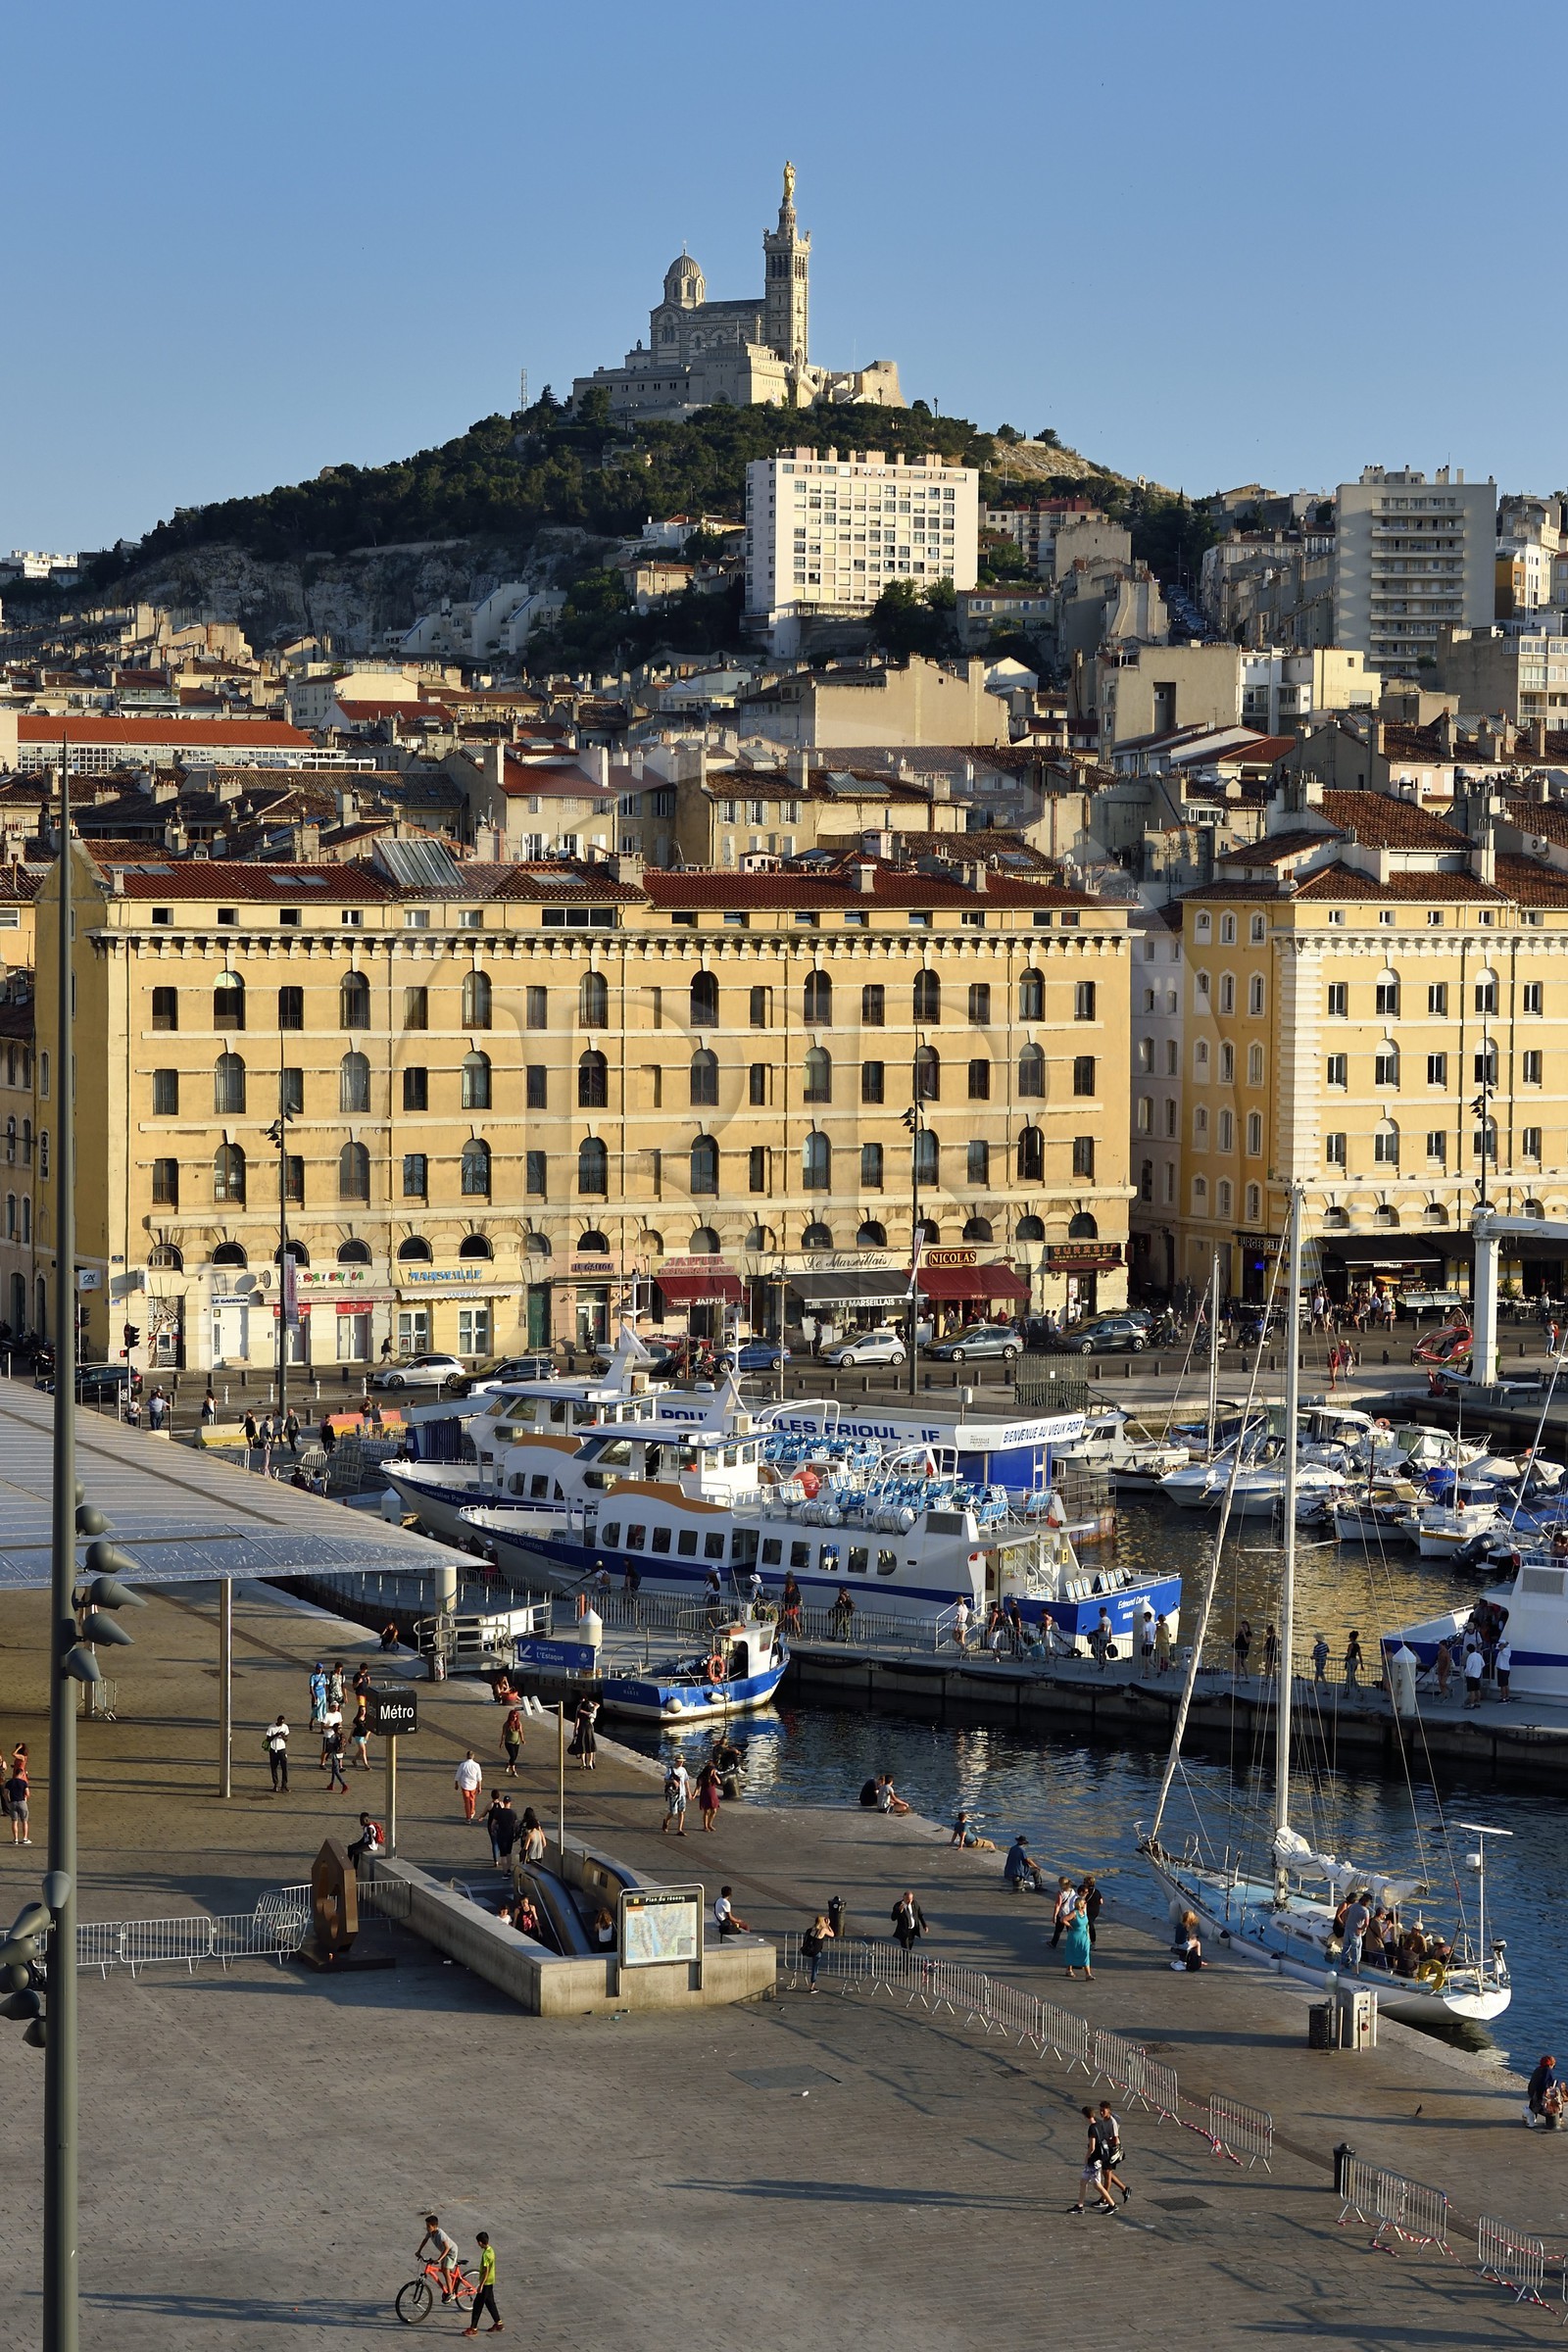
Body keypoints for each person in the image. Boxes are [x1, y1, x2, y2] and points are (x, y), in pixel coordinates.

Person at [1070, 2111, 1118, 2215]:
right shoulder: (1099, 2124)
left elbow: (1092, 2147)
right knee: (1083, 2182)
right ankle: (1080, 2205)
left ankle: (1112, 2204)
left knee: (1097, 2185)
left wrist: (1086, 2157)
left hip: (1093, 2160)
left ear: (1085, 2116)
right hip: (1097, 2159)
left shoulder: (1092, 2128)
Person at [417, 2216, 462, 2306]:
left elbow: (447, 2248)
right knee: (445, 2269)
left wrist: (439, 2259)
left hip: (450, 2252)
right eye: (426, 2226)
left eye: (428, 2226)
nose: (427, 2228)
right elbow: (425, 2240)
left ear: (435, 2226)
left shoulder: (440, 2234)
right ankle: (453, 2282)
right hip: (444, 2252)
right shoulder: (430, 2233)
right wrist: (419, 2251)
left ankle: (450, 2293)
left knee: (445, 2270)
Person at [1094, 2102, 1131, 2204]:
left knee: (1107, 2174)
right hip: (1106, 2149)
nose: (1101, 2112)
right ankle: (1124, 2189)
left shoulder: (1112, 2122)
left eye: (1103, 2110)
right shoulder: (1104, 2120)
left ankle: (1104, 2199)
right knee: (1106, 2173)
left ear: (1109, 2110)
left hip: (1112, 2150)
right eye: (1100, 2110)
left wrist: (1104, 2140)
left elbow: (1115, 2139)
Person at [1059, 1888, 1093, 1981]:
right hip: (1075, 1936)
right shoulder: (1074, 1913)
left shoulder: (1084, 1912)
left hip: (1084, 1936)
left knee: (1085, 1953)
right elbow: (1063, 1919)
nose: (1086, 1904)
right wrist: (1069, 1925)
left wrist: (1089, 1936)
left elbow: (1087, 1925)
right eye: (1084, 1903)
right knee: (1072, 1952)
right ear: (1081, 1905)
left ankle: (1088, 1974)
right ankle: (1069, 1969)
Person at [1339, 1889, 1371, 1976]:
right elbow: (1367, 1923)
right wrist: (1360, 1929)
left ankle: (1342, 1964)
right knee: (1356, 1949)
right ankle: (1354, 1968)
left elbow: (1345, 1914)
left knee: (1345, 1947)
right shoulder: (1365, 1911)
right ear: (1367, 1902)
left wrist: (1345, 1923)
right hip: (1355, 1933)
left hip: (1347, 1930)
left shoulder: (1353, 1906)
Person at [801, 1910, 834, 1991]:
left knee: (813, 1967)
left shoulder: (812, 1929)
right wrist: (828, 1925)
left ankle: (811, 1985)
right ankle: (812, 1986)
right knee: (814, 1968)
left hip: (809, 1950)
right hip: (816, 1952)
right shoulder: (823, 1930)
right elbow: (832, 1934)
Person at [1528, 2055, 1560, 2128]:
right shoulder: (1548, 2071)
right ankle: (1556, 2121)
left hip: (1532, 2093)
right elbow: (1547, 2084)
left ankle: (1532, 2118)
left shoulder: (1538, 2069)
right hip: (1540, 2095)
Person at [662, 1758, 691, 1836]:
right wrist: (673, 1781)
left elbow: (686, 1781)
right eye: (679, 1762)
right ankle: (666, 1820)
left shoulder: (683, 1770)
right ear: (676, 1762)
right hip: (674, 1793)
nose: (681, 1763)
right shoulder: (671, 1769)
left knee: (681, 1811)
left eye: (682, 1762)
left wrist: (689, 1792)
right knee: (673, 1812)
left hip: (682, 1793)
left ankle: (679, 1830)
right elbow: (665, 1780)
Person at [570, 1693, 599, 1773]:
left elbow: (577, 1720)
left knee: (582, 1745)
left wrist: (575, 1730)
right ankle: (590, 1762)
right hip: (589, 1727)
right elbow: (594, 1715)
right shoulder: (592, 1707)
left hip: (582, 1728)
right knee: (590, 1745)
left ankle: (583, 1764)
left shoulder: (579, 1708)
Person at [1051, 1876, 1079, 1949]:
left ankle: (1053, 1943)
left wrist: (1054, 1916)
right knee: (1070, 1930)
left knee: (1058, 1930)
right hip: (1070, 1913)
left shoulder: (1061, 1893)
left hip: (1062, 1914)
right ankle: (1073, 1944)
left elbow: (1058, 1905)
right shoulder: (1072, 1891)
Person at [455, 1750, 483, 1822]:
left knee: (466, 1801)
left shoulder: (463, 1765)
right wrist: (479, 1786)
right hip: (473, 1785)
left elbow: (458, 1775)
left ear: (467, 1756)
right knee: (472, 1799)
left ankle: (468, 1818)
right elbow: (479, 1777)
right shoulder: (477, 1765)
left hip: (465, 1785)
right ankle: (472, 1811)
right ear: (473, 1756)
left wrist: (456, 1784)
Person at [265, 1714, 290, 1794]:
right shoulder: (271, 1727)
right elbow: (268, 1739)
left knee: (284, 1767)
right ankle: (275, 1784)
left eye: (282, 1722)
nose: (281, 1724)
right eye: (280, 1722)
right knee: (274, 1767)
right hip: (273, 1749)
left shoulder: (285, 1727)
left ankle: (284, 1785)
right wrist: (275, 1735)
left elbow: (286, 1739)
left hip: (282, 1749)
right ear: (277, 1720)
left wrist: (282, 1736)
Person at [696, 1760, 723, 1833]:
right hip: (705, 1794)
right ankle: (705, 1826)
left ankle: (710, 1824)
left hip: (713, 1795)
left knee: (714, 1810)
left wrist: (715, 1775)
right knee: (706, 1811)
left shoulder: (713, 1777)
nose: (713, 1772)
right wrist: (694, 1794)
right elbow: (698, 1786)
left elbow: (719, 1782)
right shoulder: (703, 1778)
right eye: (712, 1771)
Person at [323, 1720, 348, 1793]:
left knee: (336, 1771)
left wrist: (327, 1755)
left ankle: (344, 1784)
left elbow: (330, 1747)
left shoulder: (333, 1736)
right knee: (334, 1769)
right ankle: (332, 1784)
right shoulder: (342, 1735)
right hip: (340, 1754)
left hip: (335, 1755)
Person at [1080, 1874, 1104, 1948]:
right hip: (1095, 1911)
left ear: (1087, 1883)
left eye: (1084, 1882)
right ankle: (1091, 1942)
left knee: (1089, 1926)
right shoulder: (1096, 1891)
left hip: (1087, 1911)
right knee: (1090, 1924)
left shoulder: (1085, 1891)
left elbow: (1081, 1901)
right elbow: (1101, 1902)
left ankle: (1091, 1942)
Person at [501, 1707, 524, 1777]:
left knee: (514, 1757)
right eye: (513, 1717)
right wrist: (501, 1742)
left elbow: (521, 1732)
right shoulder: (506, 1724)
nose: (514, 1718)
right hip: (508, 1742)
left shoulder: (519, 1723)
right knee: (512, 1755)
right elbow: (503, 1734)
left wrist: (522, 1739)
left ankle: (508, 1764)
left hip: (516, 1742)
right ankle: (514, 1771)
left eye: (516, 1717)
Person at [349, 1704, 370, 1770]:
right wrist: (350, 1737)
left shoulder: (367, 1718)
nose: (363, 1711)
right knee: (363, 1750)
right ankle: (366, 1765)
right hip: (358, 1736)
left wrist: (367, 1735)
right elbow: (353, 1729)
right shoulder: (356, 1719)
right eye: (362, 1710)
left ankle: (354, 1760)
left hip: (364, 1736)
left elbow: (370, 1728)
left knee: (360, 1750)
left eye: (364, 1710)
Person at [1496, 1635, 1513, 1702]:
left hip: (1503, 1669)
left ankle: (1503, 1697)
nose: (1499, 1646)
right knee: (1505, 1684)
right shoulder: (1505, 1650)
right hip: (1504, 1669)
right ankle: (1507, 1696)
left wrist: (1503, 1645)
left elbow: (1501, 1648)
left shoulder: (1506, 1650)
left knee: (1503, 1684)